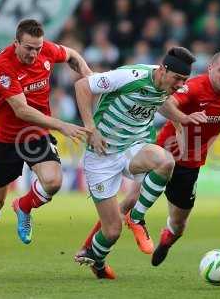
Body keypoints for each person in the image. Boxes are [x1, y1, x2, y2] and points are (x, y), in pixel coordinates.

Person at [80, 50, 220, 268]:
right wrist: (181, 124)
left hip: (191, 162)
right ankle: (97, 242)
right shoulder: (193, 86)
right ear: (210, 69)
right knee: (128, 201)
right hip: (165, 149)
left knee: (179, 224)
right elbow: (169, 103)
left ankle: (167, 238)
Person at [0, 19, 92, 279]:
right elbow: (22, 110)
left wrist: (89, 77)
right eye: (28, 48)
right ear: (16, 43)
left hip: (35, 134)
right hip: (5, 139)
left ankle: (24, 205)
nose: (34, 54)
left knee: (53, 181)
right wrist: (61, 125)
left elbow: (71, 55)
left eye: (37, 48)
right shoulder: (3, 65)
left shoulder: (46, 49)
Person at [73, 47, 208, 279]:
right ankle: (97, 259)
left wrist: (182, 119)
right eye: (177, 79)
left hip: (133, 145)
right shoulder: (130, 76)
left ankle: (136, 217)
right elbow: (82, 86)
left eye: (184, 80)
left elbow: (162, 102)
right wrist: (91, 129)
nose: (180, 85)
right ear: (163, 70)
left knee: (165, 162)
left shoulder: (166, 84)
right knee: (112, 231)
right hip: (102, 153)